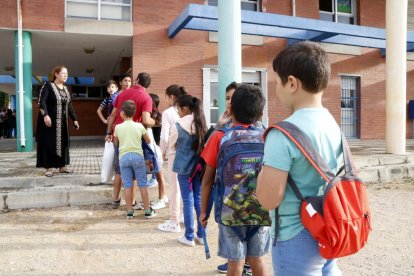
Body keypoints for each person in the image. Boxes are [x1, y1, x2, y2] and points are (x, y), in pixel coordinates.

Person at [256, 41, 343, 275]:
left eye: (276, 83)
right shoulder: (332, 123)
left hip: (295, 236)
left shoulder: (282, 134)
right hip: (329, 226)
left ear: (292, 83)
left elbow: (267, 200)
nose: (275, 90)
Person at [199, 84, 270, 276]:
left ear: (231, 109)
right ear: (260, 113)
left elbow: (207, 180)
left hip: (230, 213)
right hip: (260, 211)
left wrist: (204, 211)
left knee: (235, 263)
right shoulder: (267, 137)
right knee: (257, 260)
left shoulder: (219, 138)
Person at [106, 72, 155, 209]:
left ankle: (115, 200)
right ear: (147, 85)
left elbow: (112, 114)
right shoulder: (146, 97)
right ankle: (132, 203)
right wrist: (154, 121)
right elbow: (146, 120)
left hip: (118, 133)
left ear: (136, 80)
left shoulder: (122, 94)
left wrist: (109, 132)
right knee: (133, 174)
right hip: (135, 137)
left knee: (119, 170)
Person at [171, 94, 207, 246]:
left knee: (187, 200)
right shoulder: (201, 124)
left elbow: (171, 144)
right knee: (198, 199)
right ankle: (201, 234)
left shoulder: (178, 125)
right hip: (199, 168)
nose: (178, 112)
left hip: (184, 169)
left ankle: (189, 236)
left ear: (185, 109)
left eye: (178, 109)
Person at [113, 100, 155, 219]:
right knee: (142, 184)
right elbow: (148, 140)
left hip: (124, 157)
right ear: (134, 113)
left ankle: (129, 212)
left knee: (127, 185)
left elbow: (116, 143)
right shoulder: (139, 125)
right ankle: (147, 210)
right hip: (138, 157)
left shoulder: (118, 127)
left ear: (122, 113)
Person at [36, 65, 79, 177]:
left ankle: (62, 166)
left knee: (62, 143)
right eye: (64, 73)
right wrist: (45, 115)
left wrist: (74, 119)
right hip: (49, 123)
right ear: (56, 73)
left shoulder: (65, 89)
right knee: (49, 143)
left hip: (62, 124)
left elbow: (69, 105)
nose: (66, 75)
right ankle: (48, 168)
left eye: (67, 74)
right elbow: (42, 102)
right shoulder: (48, 85)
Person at [157, 85, 187, 233]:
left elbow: (164, 136)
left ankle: (174, 221)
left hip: (174, 153)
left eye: (166, 96)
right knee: (186, 187)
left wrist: (162, 152)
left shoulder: (168, 113)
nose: (165, 99)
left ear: (172, 97)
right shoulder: (188, 110)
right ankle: (185, 217)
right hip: (188, 153)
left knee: (174, 188)